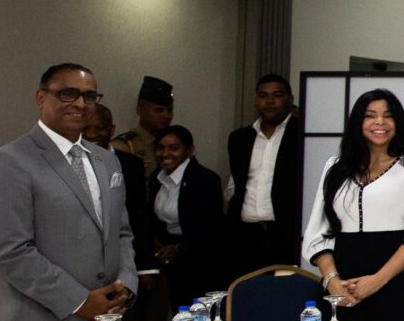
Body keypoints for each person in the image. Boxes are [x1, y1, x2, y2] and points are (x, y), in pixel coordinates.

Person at [0, 64, 136, 321]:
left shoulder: (106, 159)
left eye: (89, 96)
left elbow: (122, 234)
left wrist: (125, 287)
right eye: (68, 93)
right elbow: (8, 250)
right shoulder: (8, 161)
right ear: (41, 97)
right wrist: (80, 301)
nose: (80, 103)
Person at [304, 88, 404, 321]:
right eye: (370, 115)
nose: (380, 122)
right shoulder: (335, 167)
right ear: (358, 122)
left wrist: (377, 280)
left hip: (399, 284)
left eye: (388, 116)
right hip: (342, 288)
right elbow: (318, 231)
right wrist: (332, 281)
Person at [226, 73, 303, 279]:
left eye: (277, 95)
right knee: (247, 297)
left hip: (285, 234)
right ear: (255, 100)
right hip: (245, 234)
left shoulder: (302, 134)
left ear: (290, 99)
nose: (269, 101)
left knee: (284, 298)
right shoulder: (239, 138)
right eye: (262, 95)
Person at [149, 125, 227, 305]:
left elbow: (210, 227)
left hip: (201, 261)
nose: (165, 153)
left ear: (189, 150)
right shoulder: (156, 177)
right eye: (161, 148)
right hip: (171, 263)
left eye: (174, 148)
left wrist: (178, 248)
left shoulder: (205, 179)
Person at [84, 102, 153, 259]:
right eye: (85, 129)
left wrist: (146, 267)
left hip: (124, 253)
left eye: (100, 128)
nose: (92, 135)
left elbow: (139, 216)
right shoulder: (70, 162)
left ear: (112, 130)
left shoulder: (131, 165)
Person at [112, 75, 173, 164]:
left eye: (170, 110)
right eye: (159, 110)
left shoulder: (173, 145)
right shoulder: (124, 146)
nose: (167, 116)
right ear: (140, 110)